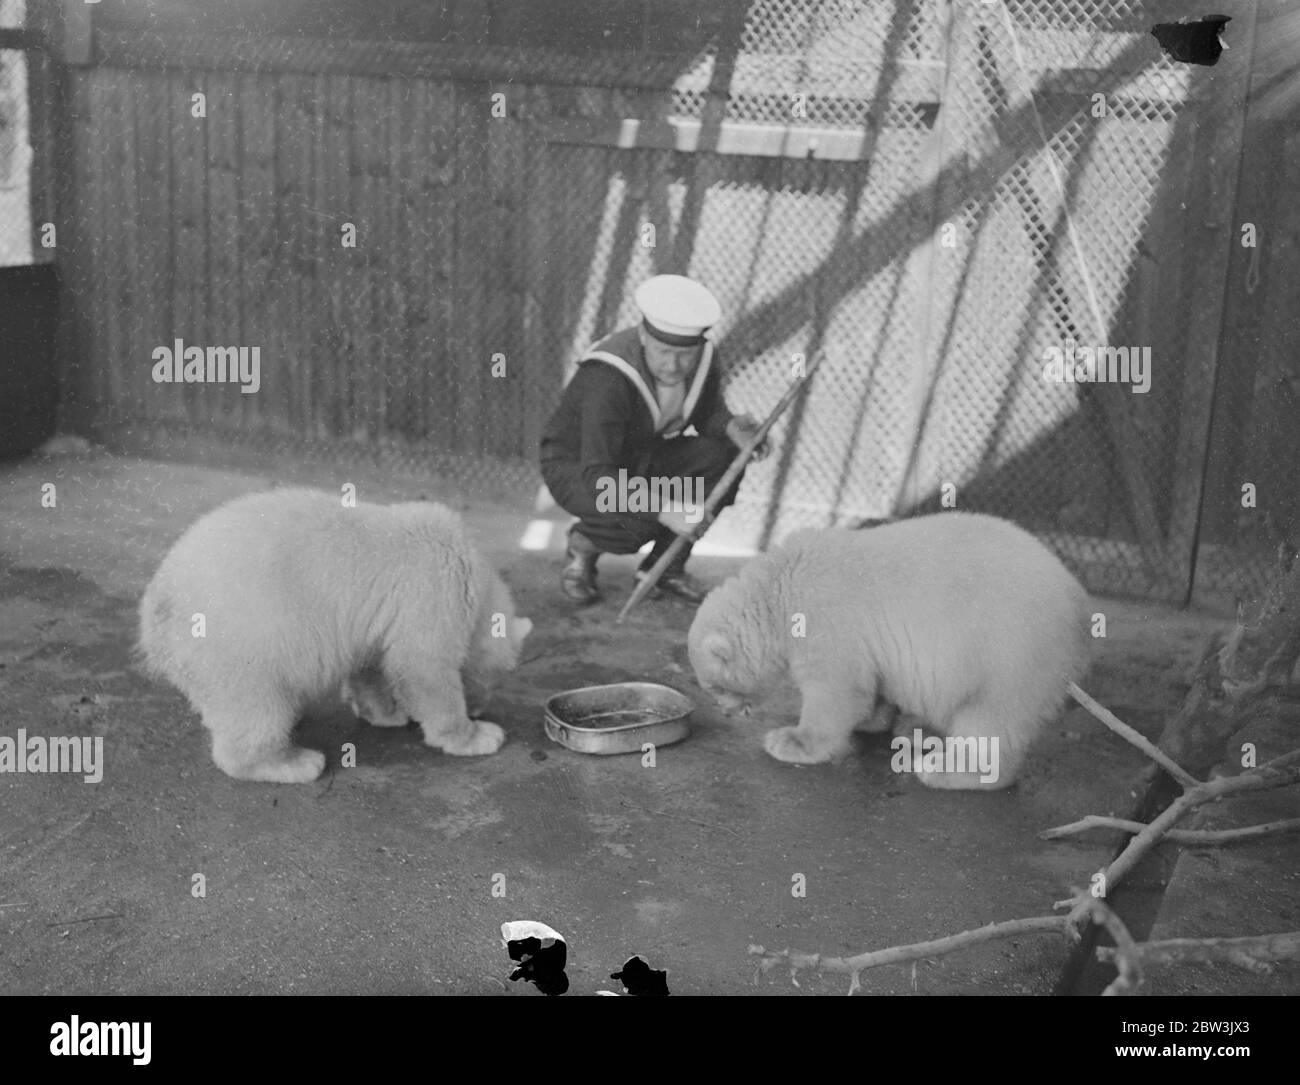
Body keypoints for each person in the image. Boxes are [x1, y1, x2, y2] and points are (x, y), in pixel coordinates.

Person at [540, 275, 765, 605]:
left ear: (698, 346)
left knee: (727, 455)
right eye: (663, 352)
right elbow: (598, 474)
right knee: (640, 517)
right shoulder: (609, 376)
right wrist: (664, 509)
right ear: (644, 335)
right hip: (578, 469)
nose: (673, 365)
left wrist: (730, 427)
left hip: (638, 459)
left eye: (684, 355)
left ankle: (664, 569)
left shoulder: (703, 357)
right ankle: (583, 545)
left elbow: (704, 413)